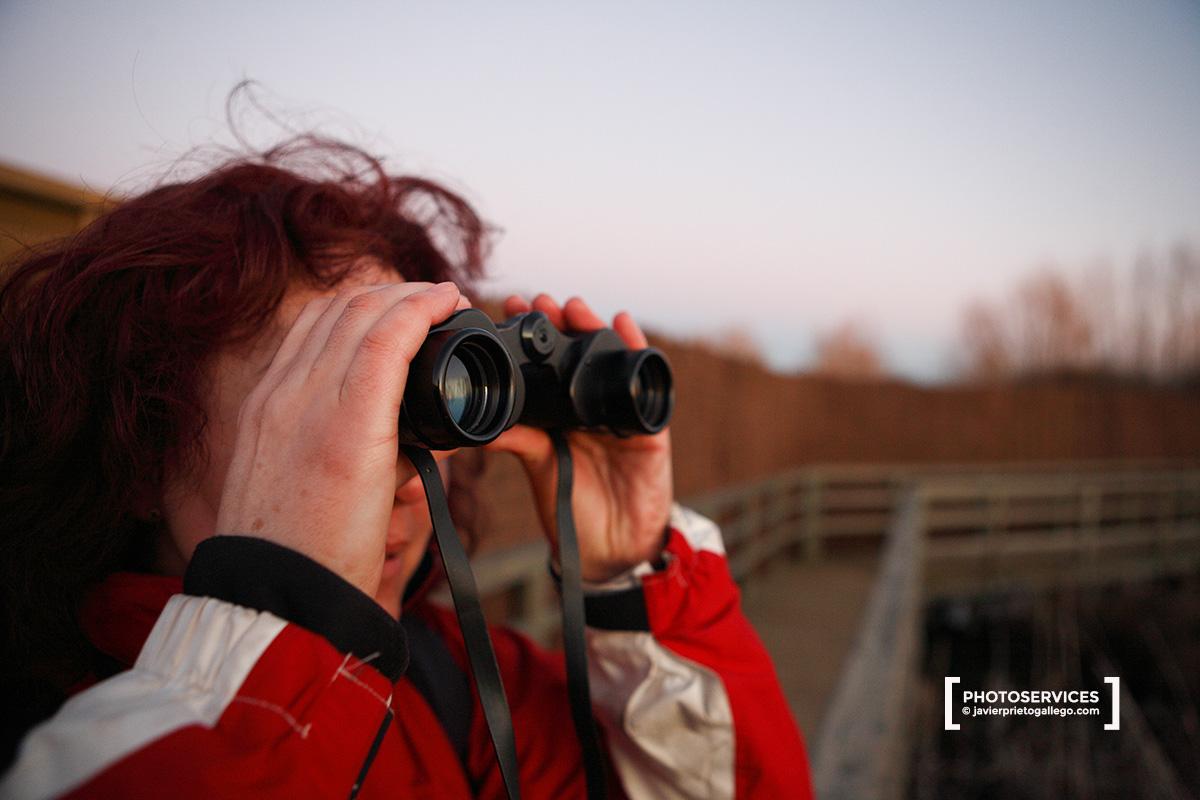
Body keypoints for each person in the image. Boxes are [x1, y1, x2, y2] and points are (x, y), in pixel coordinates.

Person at [0, 137, 813, 799]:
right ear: (141, 456)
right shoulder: (59, 748)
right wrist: (281, 629)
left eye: (405, 405)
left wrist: (632, 580)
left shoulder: (460, 682)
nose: (390, 481)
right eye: (322, 413)